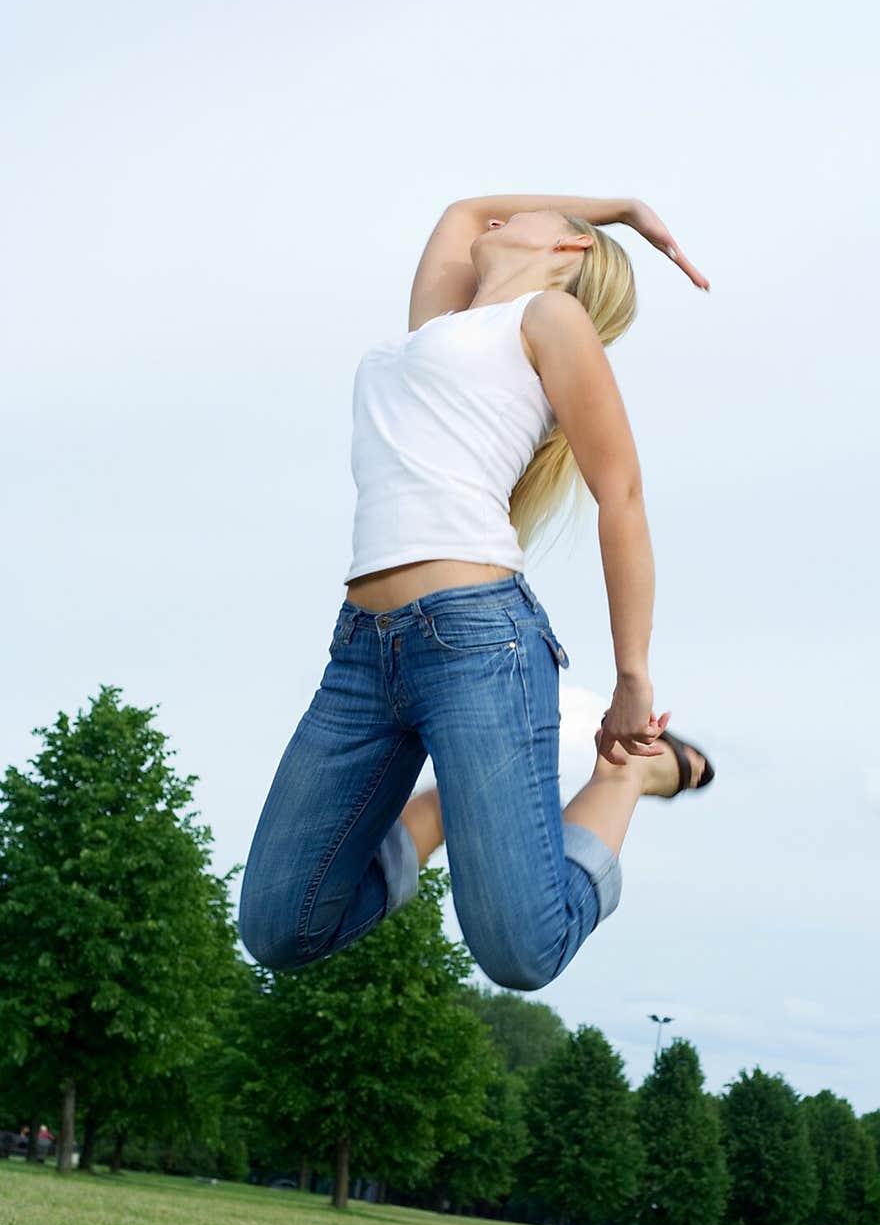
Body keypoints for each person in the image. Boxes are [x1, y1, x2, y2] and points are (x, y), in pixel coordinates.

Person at [237, 194, 715, 991]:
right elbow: (465, 211)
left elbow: (622, 494)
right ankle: (431, 818)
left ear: (568, 251)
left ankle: (630, 777)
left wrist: (633, 679)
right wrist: (623, 208)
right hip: (361, 650)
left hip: (479, 646)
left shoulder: (548, 322)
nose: (501, 220)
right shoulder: (437, 329)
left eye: (527, 219)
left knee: (520, 954)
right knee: (280, 926)